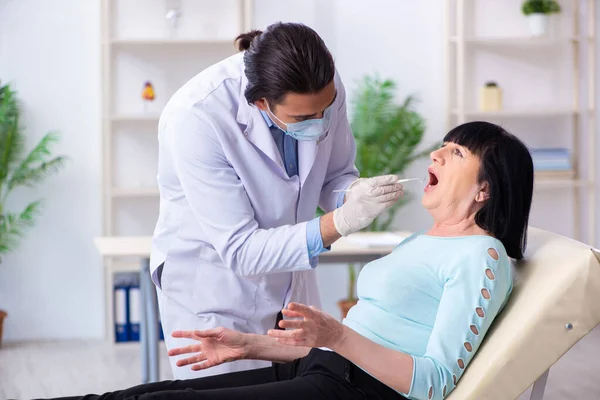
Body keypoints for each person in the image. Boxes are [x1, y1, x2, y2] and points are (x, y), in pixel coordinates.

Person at [49, 121, 535, 400]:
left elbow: (433, 383)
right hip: (320, 371)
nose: (437, 154)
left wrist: (337, 335)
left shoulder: (482, 256)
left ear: (484, 189)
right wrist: (249, 346)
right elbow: (344, 344)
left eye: (454, 152)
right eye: (442, 147)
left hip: (355, 395)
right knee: (136, 397)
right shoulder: (422, 242)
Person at [150, 21, 405, 379]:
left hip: (291, 281)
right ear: (260, 102)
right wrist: (341, 222)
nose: (319, 123)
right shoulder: (197, 117)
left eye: (325, 111)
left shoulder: (324, 89)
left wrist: (351, 194)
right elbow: (240, 249)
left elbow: (333, 176)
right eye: (302, 119)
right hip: (215, 287)